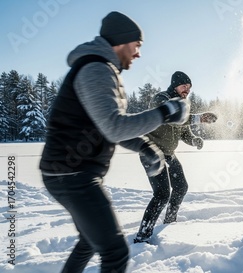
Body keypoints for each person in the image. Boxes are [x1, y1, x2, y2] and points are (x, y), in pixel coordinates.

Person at [39, 11, 189, 273]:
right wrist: (166, 112)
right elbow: (114, 126)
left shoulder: (102, 69)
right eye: (137, 45)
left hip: (69, 173)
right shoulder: (95, 68)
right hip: (72, 174)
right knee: (116, 252)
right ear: (121, 41)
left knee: (89, 242)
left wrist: (144, 146)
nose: (139, 53)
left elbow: (106, 127)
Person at [134, 71, 218, 244]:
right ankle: (143, 235)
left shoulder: (185, 106)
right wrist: (199, 118)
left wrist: (194, 139)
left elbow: (184, 132)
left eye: (189, 88)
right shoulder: (161, 98)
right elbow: (170, 115)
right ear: (175, 85)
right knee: (162, 194)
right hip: (151, 152)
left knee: (181, 187)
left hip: (168, 154)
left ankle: (170, 220)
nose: (186, 90)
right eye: (184, 86)